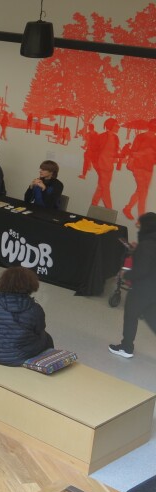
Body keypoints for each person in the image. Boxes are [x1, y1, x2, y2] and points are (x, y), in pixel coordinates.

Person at [0, 267, 54, 366]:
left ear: (3, 282)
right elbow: (39, 329)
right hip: (18, 358)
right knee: (47, 338)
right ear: (31, 285)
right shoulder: (35, 308)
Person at [110, 213, 156, 358]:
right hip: (152, 289)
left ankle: (126, 347)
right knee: (152, 318)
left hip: (143, 289)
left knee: (131, 315)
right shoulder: (151, 241)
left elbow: (142, 270)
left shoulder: (147, 244)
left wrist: (126, 275)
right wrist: (137, 251)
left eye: (140, 223)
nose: (137, 225)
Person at [122, 119, 156, 220]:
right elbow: (133, 153)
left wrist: (151, 155)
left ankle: (128, 209)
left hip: (148, 169)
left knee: (141, 191)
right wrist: (145, 153)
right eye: (153, 125)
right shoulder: (140, 137)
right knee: (143, 191)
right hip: (138, 167)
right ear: (149, 126)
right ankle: (141, 219)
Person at [91, 118, 120, 209]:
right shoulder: (101, 136)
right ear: (111, 126)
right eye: (116, 125)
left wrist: (121, 155)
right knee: (105, 188)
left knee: (101, 187)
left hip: (109, 166)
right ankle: (109, 209)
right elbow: (94, 151)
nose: (118, 127)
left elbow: (113, 153)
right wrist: (96, 164)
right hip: (102, 165)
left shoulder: (116, 138)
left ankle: (93, 205)